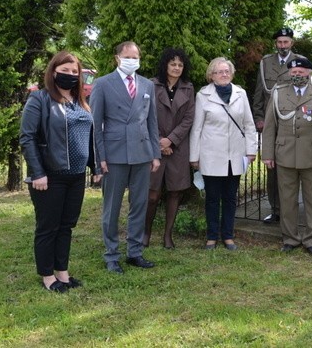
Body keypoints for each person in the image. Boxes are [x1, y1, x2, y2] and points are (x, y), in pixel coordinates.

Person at [20, 50, 94, 292]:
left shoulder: (80, 102)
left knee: (66, 226)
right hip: (50, 176)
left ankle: (62, 273)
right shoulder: (39, 100)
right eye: (65, 70)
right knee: (48, 226)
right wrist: (38, 173)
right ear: (53, 72)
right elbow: (27, 138)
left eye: (75, 72)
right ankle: (47, 276)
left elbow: (88, 136)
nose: (71, 75)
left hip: (76, 177)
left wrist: (94, 165)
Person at [91, 41, 161, 274]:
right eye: (128, 56)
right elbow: (95, 125)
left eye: (136, 56)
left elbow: (152, 122)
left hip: (141, 154)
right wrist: (99, 157)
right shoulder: (102, 84)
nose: (133, 60)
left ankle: (135, 252)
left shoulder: (147, 84)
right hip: (114, 155)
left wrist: (155, 153)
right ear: (117, 58)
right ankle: (111, 255)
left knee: (139, 205)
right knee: (112, 208)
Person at [261, 57, 312, 256]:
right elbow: (269, 127)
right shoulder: (278, 94)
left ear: (309, 72)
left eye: (301, 72)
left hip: (311, 155)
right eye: (293, 72)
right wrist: (267, 153)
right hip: (284, 154)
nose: (297, 75)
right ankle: (290, 238)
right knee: (287, 200)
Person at [190, 57, 257, 251]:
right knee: (212, 198)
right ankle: (211, 237)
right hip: (211, 155)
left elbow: (249, 124)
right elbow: (197, 128)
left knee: (230, 198)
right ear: (211, 75)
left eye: (227, 71)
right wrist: (194, 157)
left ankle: (228, 236)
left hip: (235, 155)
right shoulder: (203, 95)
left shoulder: (240, 93)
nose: (224, 74)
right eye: (219, 71)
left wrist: (251, 151)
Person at [143, 48, 195, 249]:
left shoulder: (188, 88)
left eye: (180, 65)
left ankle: (167, 235)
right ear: (165, 65)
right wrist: (159, 141)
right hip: (154, 146)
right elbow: (145, 115)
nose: (176, 68)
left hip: (178, 147)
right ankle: (146, 232)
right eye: (173, 64)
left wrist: (171, 140)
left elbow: (189, 118)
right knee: (152, 194)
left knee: (175, 192)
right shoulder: (150, 85)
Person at [252, 27, 305, 224]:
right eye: (279, 42)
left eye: (286, 42)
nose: (282, 45)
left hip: (292, 123)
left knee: (293, 166)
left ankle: (290, 210)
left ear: (292, 42)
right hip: (271, 122)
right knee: (272, 167)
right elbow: (260, 92)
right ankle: (275, 210)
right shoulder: (266, 62)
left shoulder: (300, 62)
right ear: (275, 43)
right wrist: (258, 117)